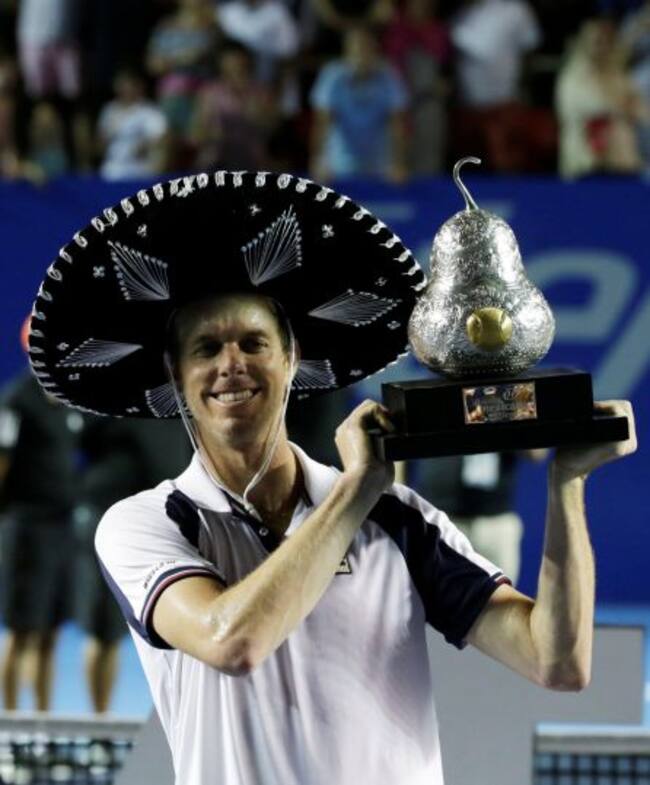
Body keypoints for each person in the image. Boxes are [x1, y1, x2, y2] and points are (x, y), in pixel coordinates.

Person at [27, 172, 636, 784]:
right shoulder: (144, 523)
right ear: (176, 376)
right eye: (206, 349)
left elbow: (557, 662)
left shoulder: (398, 520)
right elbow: (231, 642)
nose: (230, 363)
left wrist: (568, 485)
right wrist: (353, 492)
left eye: (253, 342)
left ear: (292, 359)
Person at [75, 417, 193, 713]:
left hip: (172, 521)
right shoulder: (106, 401)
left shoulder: (179, 400)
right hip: (111, 525)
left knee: (183, 636)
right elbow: (80, 441)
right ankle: (99, 724)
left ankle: (179, 720)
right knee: (104, 633)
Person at [0, 318, 84, 710]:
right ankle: (11, 731)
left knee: (51, 632)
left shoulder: (66, 402)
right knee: (23, 631)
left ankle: (42, 721)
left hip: (62, 528)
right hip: (26, 527)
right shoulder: (16, 400)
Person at [309, 25, 409, 181]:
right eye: (356, 49)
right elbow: (323, 123)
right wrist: (320, 161)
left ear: (375, 51)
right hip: (339, 165)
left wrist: (398, 163)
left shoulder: (389, 76)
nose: (361, 55)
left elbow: (397, 124)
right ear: (346, 52)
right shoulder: (332, 76)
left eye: (366, 49)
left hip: (380, 165)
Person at [555, 17, 647, 178]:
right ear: (583, 43)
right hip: (585, 165)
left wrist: (632, 109)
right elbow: (600, 107)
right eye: (597, 41)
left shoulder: (617, 76)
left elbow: (641, 110)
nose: (601, 47)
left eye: (606, 42)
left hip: (622, 163)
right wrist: (625, 107)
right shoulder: (572, 77)